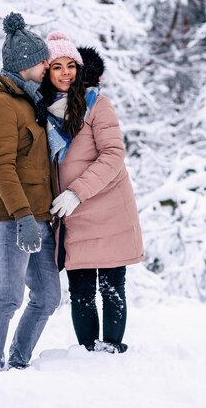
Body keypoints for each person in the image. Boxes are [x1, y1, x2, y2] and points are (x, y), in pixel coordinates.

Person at [40, 31, 144, 354]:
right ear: (48, 71)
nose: (66, 73)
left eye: (71, 65)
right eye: (58, 66)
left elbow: (113, 155)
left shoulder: (97, 104)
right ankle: (86, 353)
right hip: (74, 217)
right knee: (81, 290)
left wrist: (76, 193)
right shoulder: (41, 110)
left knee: (111, 286)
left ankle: (112, 350)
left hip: (108, 209)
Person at [0, 12, 60, 371]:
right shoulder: (0, 105)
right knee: (7, 297)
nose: (47, 66)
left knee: (48, 297)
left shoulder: (27, 101)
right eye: (42, 61)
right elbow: (1, 168)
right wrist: (22, 217)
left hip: (38, 216)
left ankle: (19, 363)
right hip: (10, 217)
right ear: (25, 65)